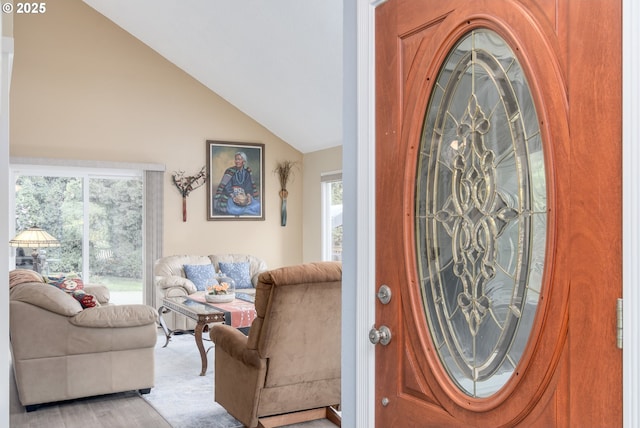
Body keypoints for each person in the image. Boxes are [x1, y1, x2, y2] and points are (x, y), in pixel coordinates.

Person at [213, 151, 261, 216]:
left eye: (239, 159)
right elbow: (227, 186)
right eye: (236, 159)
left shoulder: (247, 172)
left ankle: (245, 209)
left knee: (257, 205)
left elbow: (248, 186)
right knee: (232, 209)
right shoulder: (229, 171)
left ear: (244, 161)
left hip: (243, 195)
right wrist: (233, 197)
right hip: (231, 195)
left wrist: (248, 196)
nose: (237, 161)